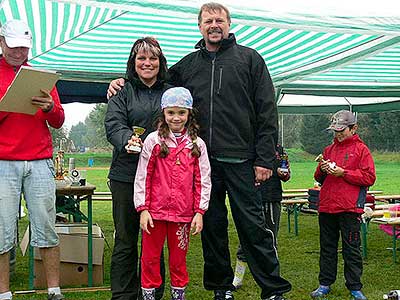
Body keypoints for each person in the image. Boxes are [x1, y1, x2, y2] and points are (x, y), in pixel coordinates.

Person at [107, 3, 291, 300]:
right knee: (213, 228)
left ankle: (272, 288)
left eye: (219, 20)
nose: (214, 24)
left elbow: (267, 111)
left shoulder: (250, 59)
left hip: (243, 160)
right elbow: (155, 81)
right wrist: (120, 82)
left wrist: (265, 158)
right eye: (208, 20)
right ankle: (221, 288)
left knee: (253, 226)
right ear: (200, 26)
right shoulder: (188, 66)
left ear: (229, 24)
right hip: (202, 161)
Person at [0, 19, 65, 300]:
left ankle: (54, 289)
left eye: (23, 48)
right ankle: (4, 292)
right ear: (1, 42)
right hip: (4, 161)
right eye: (13, 47)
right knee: (2, 230)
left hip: (40, 161)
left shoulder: (39, 76)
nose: (18, 53)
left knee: (46, 226)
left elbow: (59, 120)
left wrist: (50, 107)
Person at [105, 37, 170, 300]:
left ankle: (152, 291)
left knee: (154, 239)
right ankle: (123, 294)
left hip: (161, 176)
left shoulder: (171, 90)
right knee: (125, 239)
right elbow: (114, 124)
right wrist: (127, 140)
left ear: (160, 62)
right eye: (141, 58)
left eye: (152, 58)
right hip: (126, 175)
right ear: (133, 62)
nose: (147, 63)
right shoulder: (121, 91)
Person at [134, 87, 211, 300]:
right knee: (149, 260)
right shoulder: (153, 141)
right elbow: (143, 176)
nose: (176, 118)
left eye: (181, 113)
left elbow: (203, 180)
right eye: (171, 113)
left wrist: (199, 212)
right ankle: (149, 296)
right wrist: (143, 209)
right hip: (154, 215)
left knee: (178, 262)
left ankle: (179, 296)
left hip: (183, 215)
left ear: (188, 114)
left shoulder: (197, 144)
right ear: (163, 113)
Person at [311, 110, 376, 300]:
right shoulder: (328, 150)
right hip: (327, 206)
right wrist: (321, 170)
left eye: (342, 130)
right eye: (335, 131)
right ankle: (324, 284)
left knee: (352, 249)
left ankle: (355, 287)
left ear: (354, 128)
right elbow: (318, 178)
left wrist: (344, 173)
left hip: (349, 208)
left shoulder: (362, 150)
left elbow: (369, 177)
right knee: (327, 248)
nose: (338, 134)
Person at [233, 140, 291, 290]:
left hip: (271, 197)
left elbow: (286, 174)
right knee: (245, 236)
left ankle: (273, 277)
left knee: (270, 238)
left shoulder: (278, 147)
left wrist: (282, 173)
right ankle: (237, 279)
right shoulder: (247, 142)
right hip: (249, 198)